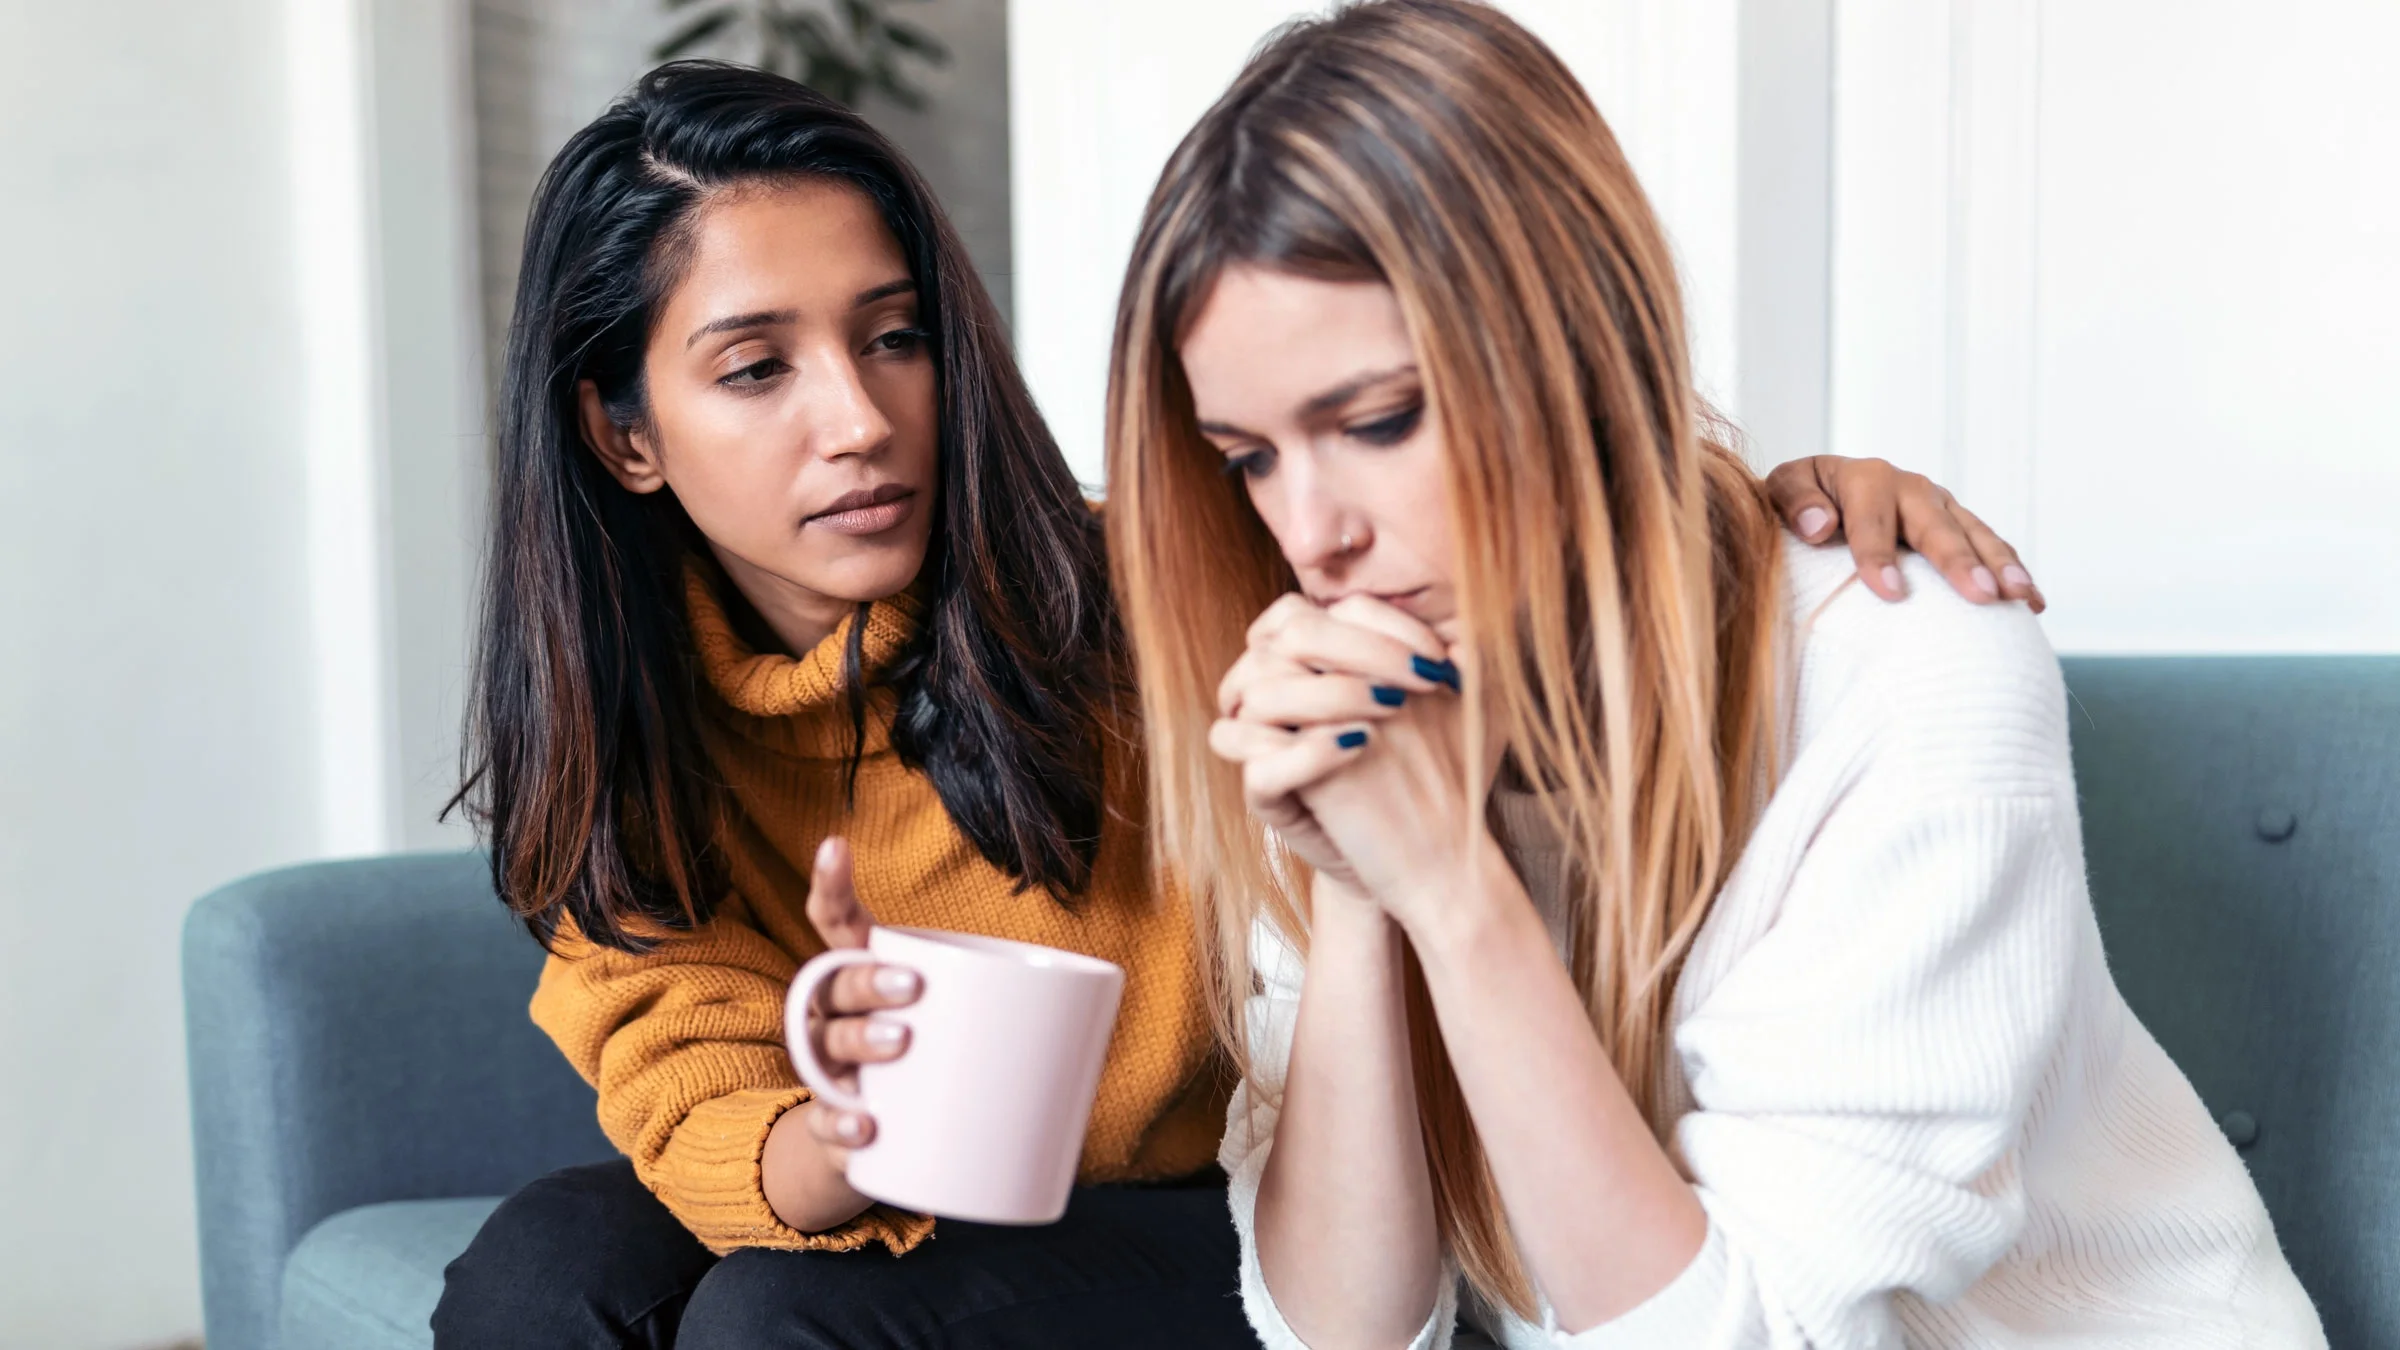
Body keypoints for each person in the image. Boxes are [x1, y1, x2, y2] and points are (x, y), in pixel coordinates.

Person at [433, 56, 2038, 1350]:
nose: (858, 418)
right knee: (543, 1271)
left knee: (789, 1313)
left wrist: (1769, 507)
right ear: (624, 432)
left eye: (896, 333)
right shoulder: (625, 742)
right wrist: (850, 1125)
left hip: (1213, 1196)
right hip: (973, 1191)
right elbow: (693, 1090)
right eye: (755, 366)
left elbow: (1542, 530)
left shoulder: (1177, 596)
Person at [1105, 3, 2326, 1348]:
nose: (1311, 532)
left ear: (1581, 344)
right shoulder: (1370, 689)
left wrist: (1456, 888)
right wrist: (1362, 887)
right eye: (1250, 456)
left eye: (1382, 417)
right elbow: (1341, 1330)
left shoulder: (1911, 667)